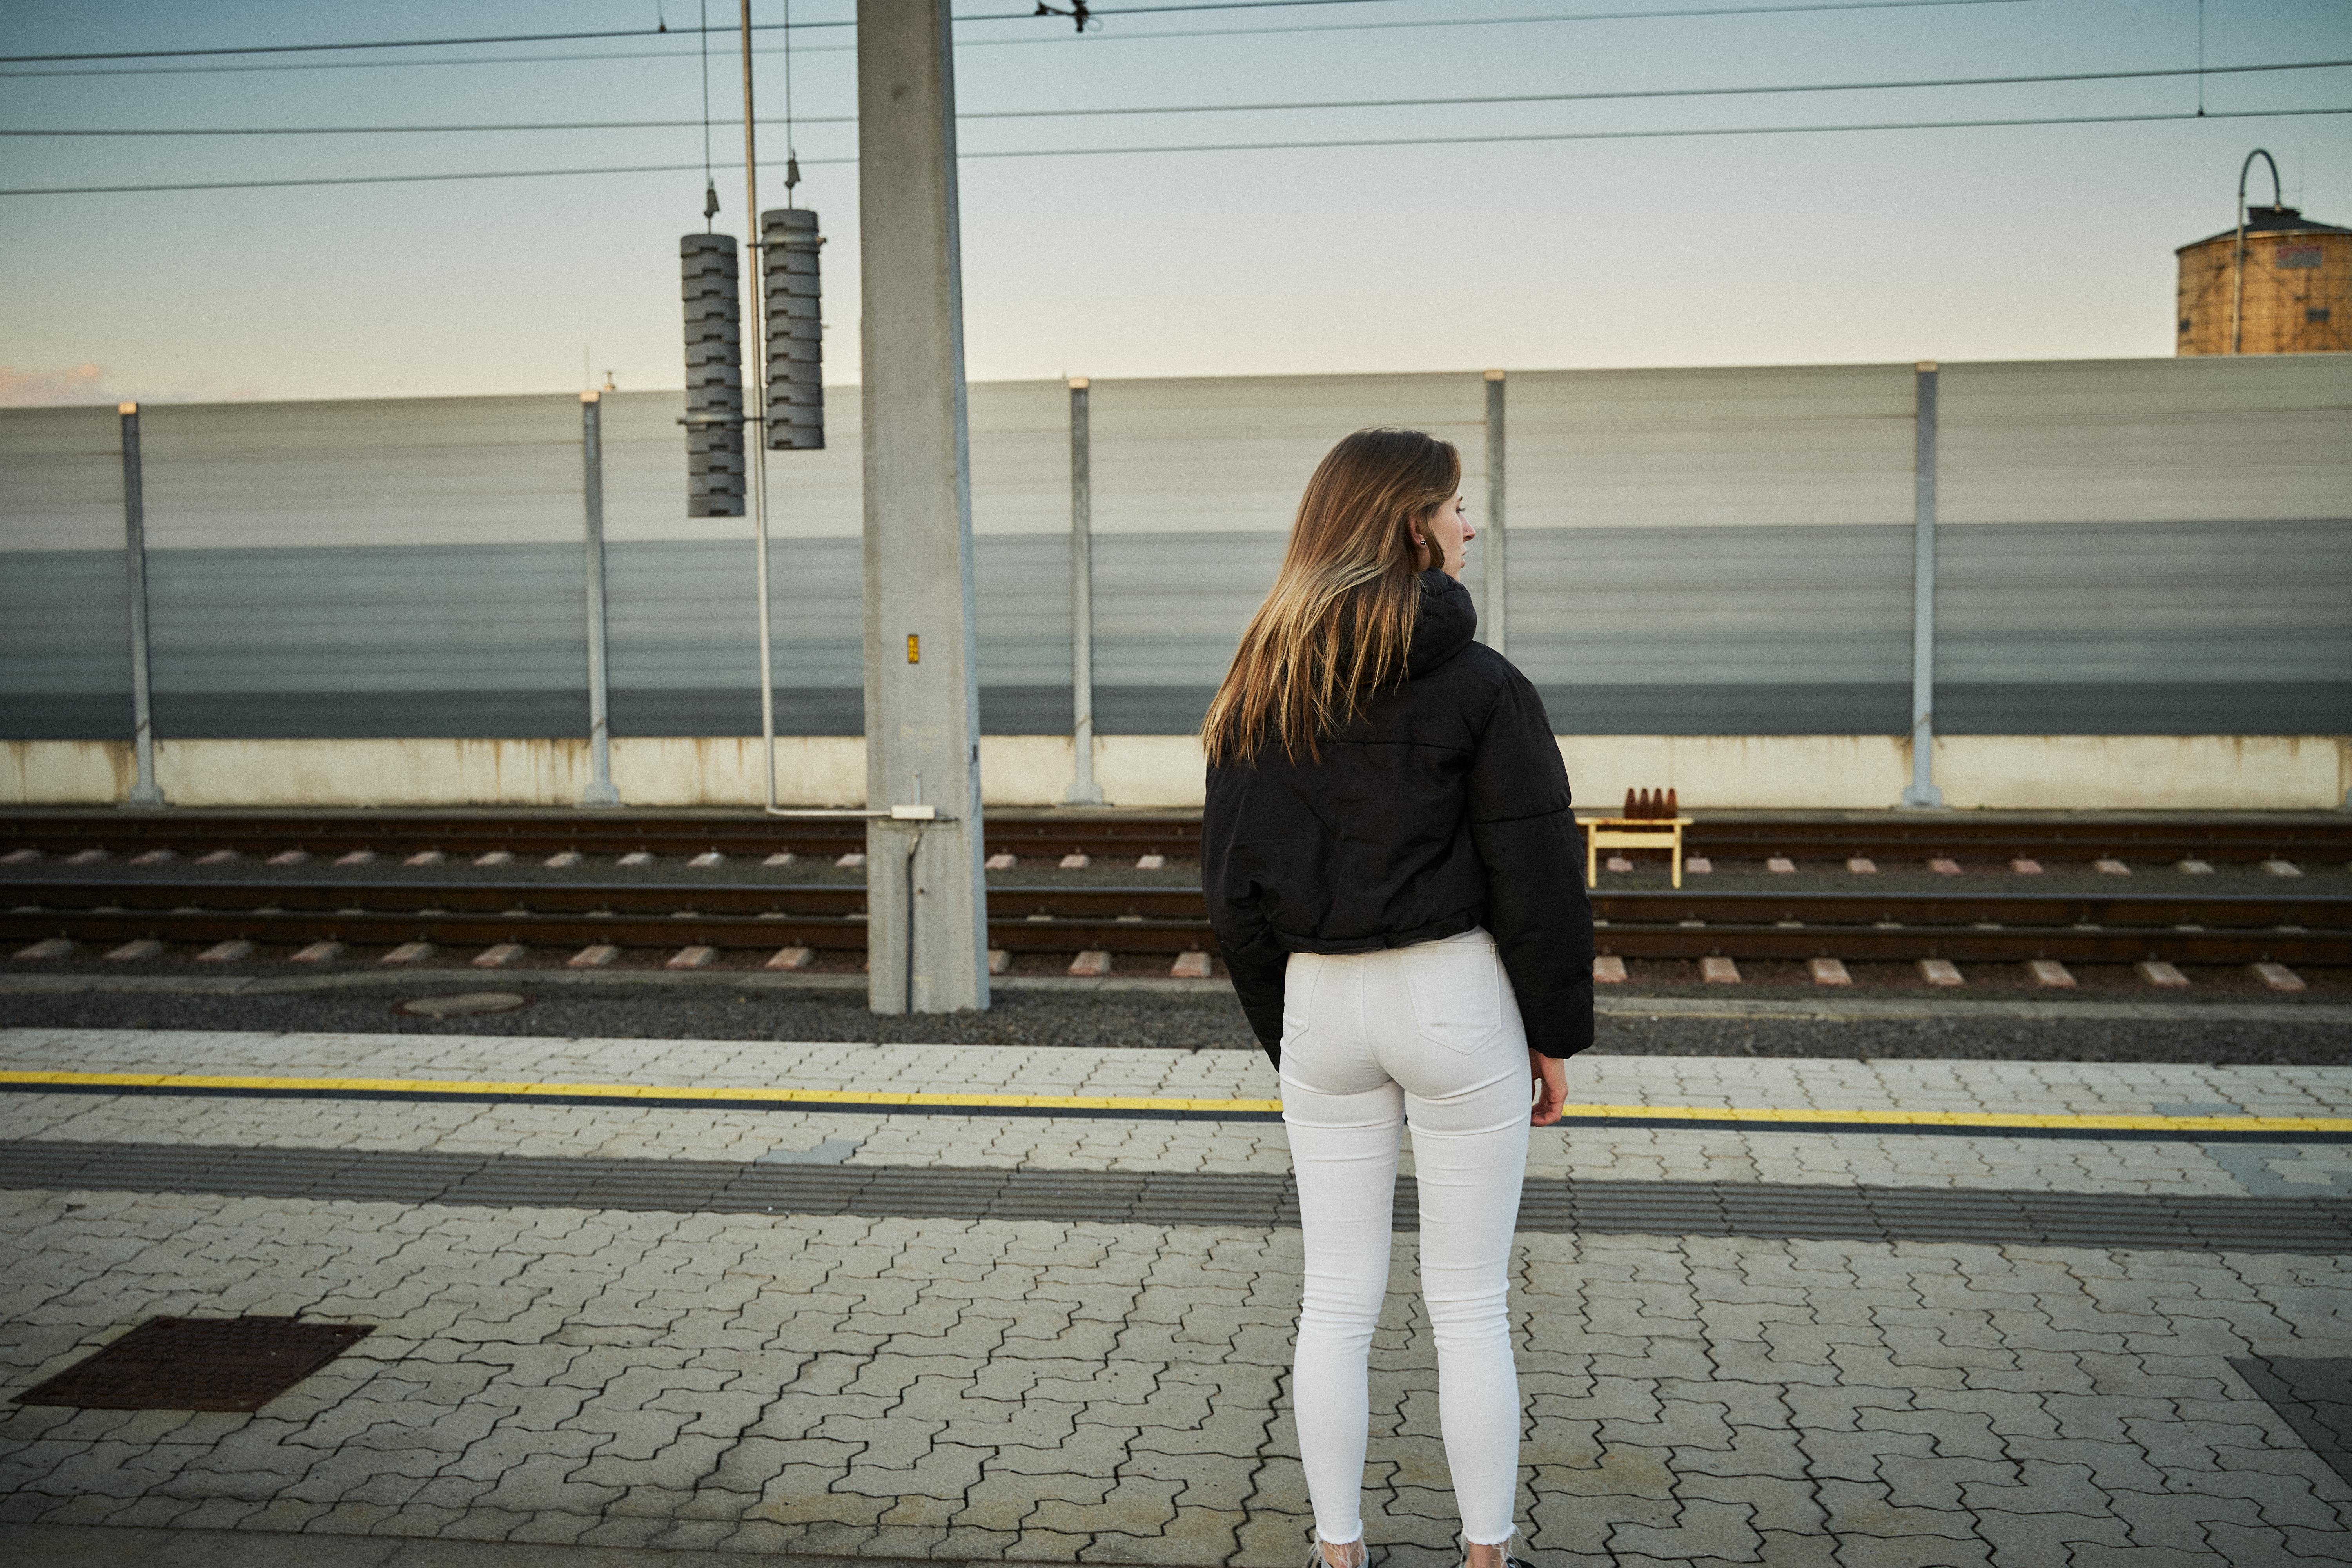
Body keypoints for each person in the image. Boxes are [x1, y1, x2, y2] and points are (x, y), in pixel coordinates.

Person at [1200, 426, 1595, 1568]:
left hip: (1324, 1009)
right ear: (1408, 527)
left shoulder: (1260, 684)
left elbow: (1235, 890)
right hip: (1454, 998)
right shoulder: (1484, 686)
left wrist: (1288, 1025)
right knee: (1467, 1301)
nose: (1472, 524)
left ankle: (1339, 1550)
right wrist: (1554, 1034)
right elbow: (1536, 872)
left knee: (1336, 1298)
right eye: (1456, 506)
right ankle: (1484, 1554)